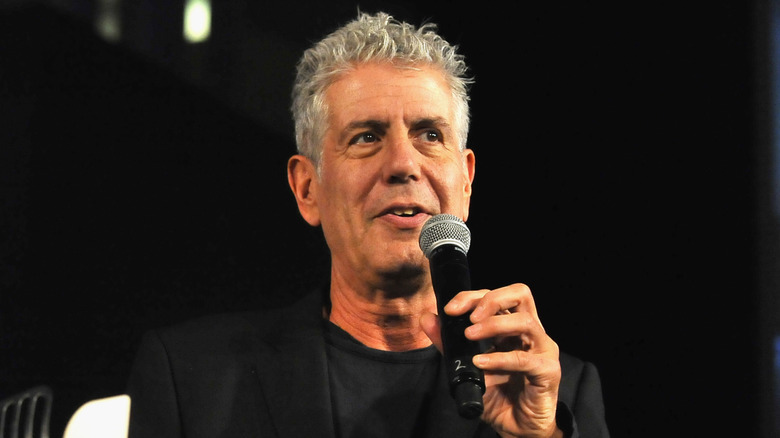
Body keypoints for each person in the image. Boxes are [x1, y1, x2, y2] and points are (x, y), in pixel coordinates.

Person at [126, 12, 609, 438]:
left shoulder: (553, 394)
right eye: (366, 137)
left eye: (429, 134)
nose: (403, 162)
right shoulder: (190, 376)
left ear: (465, 181)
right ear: (307, 188)